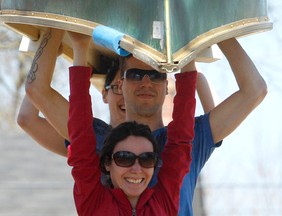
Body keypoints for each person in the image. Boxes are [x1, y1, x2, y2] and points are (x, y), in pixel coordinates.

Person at [23, 28, 267, 216]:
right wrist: (59, 25)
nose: (146, 82)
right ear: (121, 84)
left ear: (167, 83)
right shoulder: (99, 140)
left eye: (156, 75)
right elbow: (40, 97)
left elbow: (254, 91)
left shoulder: (193, 138)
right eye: (136, 75)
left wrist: (210, 30)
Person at [67, 31, 197, 215]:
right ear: (107, 163)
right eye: (124, 158)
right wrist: (80, 47)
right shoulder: (94, 202)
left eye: (147, 159)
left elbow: (180, 142)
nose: (136, 169)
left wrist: (188, 52)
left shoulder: (163, 202)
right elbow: (81, 138)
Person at [17, 29, 125, 157]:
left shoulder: (153, 139)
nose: (125, 96)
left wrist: (58, 21)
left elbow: (34, 97)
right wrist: (51, 50)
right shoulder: (93, 135)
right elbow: (27, 119)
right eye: (118, 88)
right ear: (104, 94)